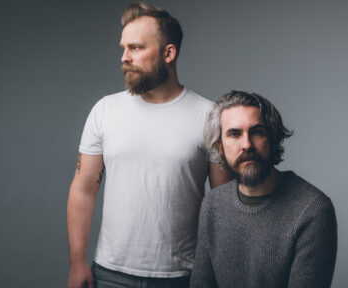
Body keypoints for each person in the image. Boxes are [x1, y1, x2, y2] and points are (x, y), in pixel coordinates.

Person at [66, 3, 230, 288]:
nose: (124, 57)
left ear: (169, 53)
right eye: (123, 48)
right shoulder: (105, 110)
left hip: (182, 277)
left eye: (136, 48)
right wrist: (77, 262)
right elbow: (83, 190)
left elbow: (224, 203)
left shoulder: (209, 116)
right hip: (109, 275)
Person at [190, 91, 338, 287]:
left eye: (257, 132)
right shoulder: (212, 204)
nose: (247, 145)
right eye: (234, 134)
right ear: (220, 146)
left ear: (273, 138)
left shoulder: (313, 211)